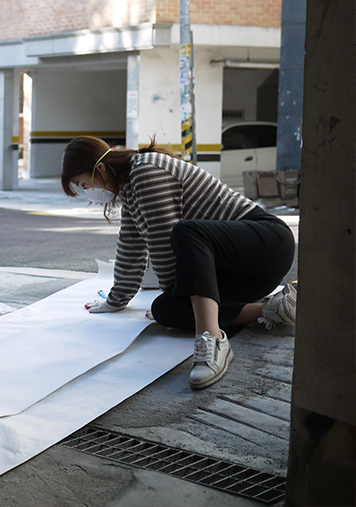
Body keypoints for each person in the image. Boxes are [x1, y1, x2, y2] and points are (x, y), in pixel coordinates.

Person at [61, 136, 296, 389]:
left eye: (84, 184)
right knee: (163, 310)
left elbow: (164, 244)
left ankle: (212, 338)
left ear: (101, 169)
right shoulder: (129, 189)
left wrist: (176, 295)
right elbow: (130, 246)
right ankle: (273, 309)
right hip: (242, 273)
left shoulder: (145, 171)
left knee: (186, 232)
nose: (88, 193)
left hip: (267, 244)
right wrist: (114, 301)